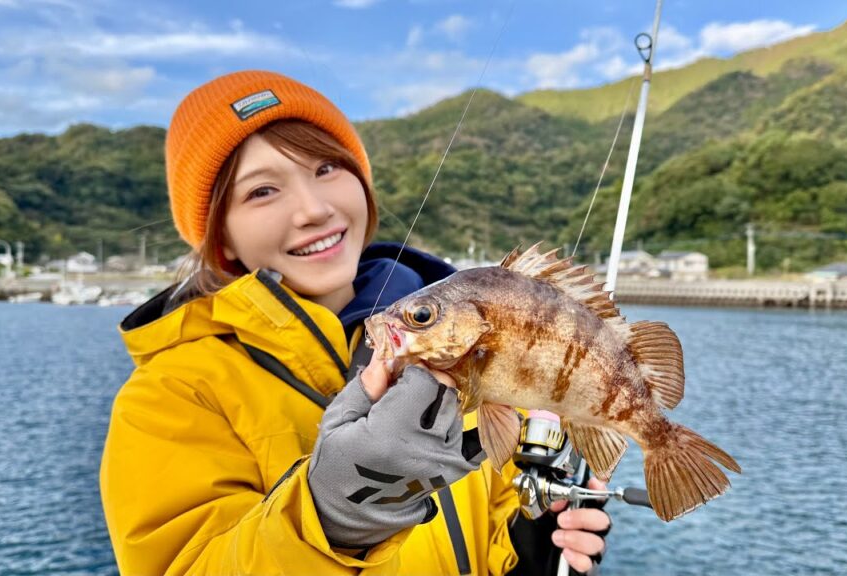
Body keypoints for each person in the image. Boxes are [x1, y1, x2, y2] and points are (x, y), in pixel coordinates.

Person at [99, 70, 612, 575]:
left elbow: (496, 514)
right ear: (221, 237)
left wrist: (534, 541)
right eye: (261, 191)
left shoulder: (459, 339)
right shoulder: (168, 397)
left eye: (325, 169)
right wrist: (334, 517)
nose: (314, 209)